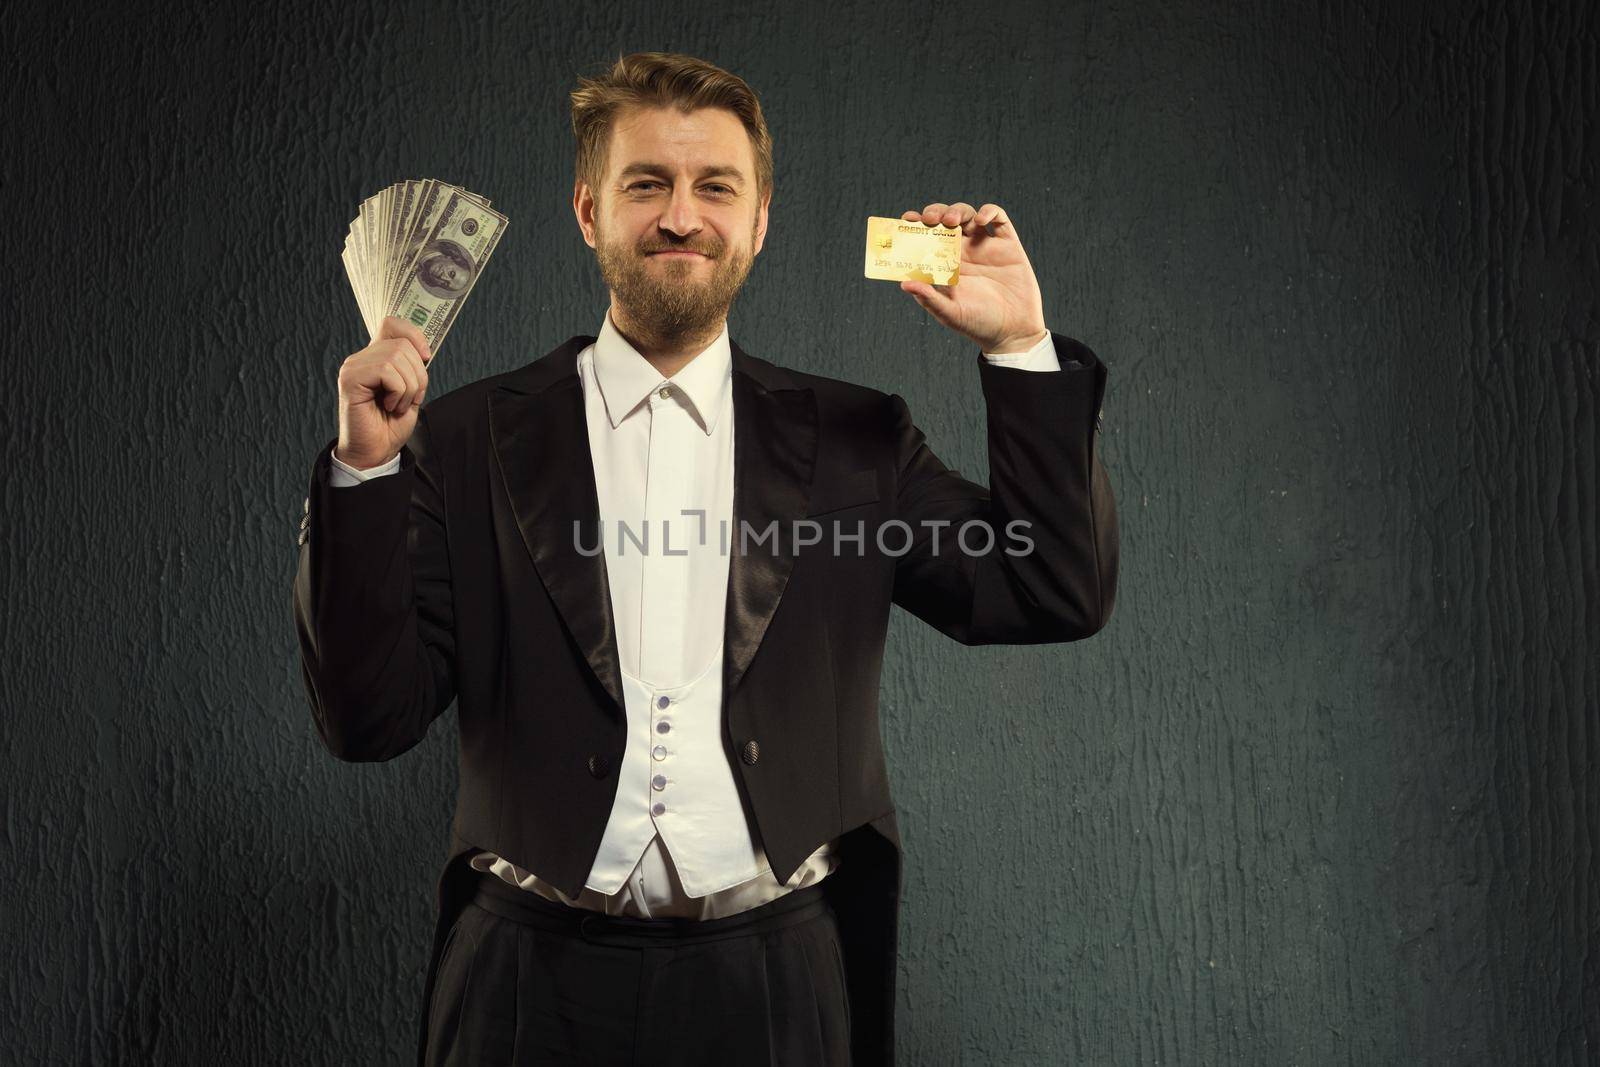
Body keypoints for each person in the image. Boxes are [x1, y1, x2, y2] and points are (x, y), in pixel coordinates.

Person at [292, 50, 1118, 1066]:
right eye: (647, 184)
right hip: (523, 983)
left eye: (714, 186)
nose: (682, 215)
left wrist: (1020, 347)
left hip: (775, 984)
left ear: (759, 220)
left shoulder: (860, 437)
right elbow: (367, 719)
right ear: (590, 212)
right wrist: (363, 473)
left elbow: (1050, 587)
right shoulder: (457, 439)